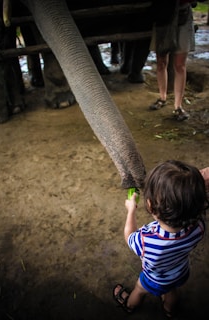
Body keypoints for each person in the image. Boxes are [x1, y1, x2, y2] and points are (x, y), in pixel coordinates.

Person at [113, 160, 208, 318]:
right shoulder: (199, 228)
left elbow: (129, 236)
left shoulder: (146, 239)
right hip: (180, 272)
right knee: (171, 291)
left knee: (139, 289)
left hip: (154, 279)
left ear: (150, 206)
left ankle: (129, 305)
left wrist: (131, 210)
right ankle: (169, 310)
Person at [149, 1, 197, 121]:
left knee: (179, 65)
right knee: (161, 62)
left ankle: (178, 106)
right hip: (163, 16)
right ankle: (162, 97)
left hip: (183, 16)